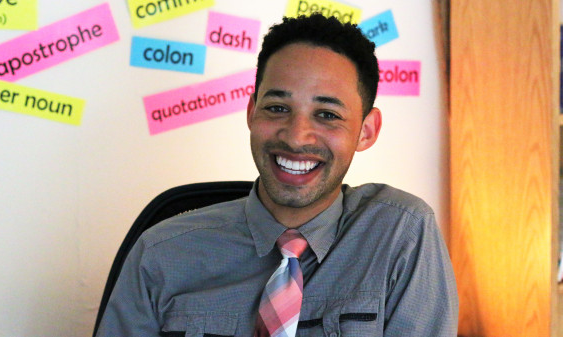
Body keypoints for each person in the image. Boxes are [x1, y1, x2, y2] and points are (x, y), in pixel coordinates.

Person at [96, 14, 458, 337]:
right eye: (277, 108)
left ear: (366, 130)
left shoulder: (400, 236)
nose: (296, 136)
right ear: (252, 113)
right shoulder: (159, 255)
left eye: (327, 115)